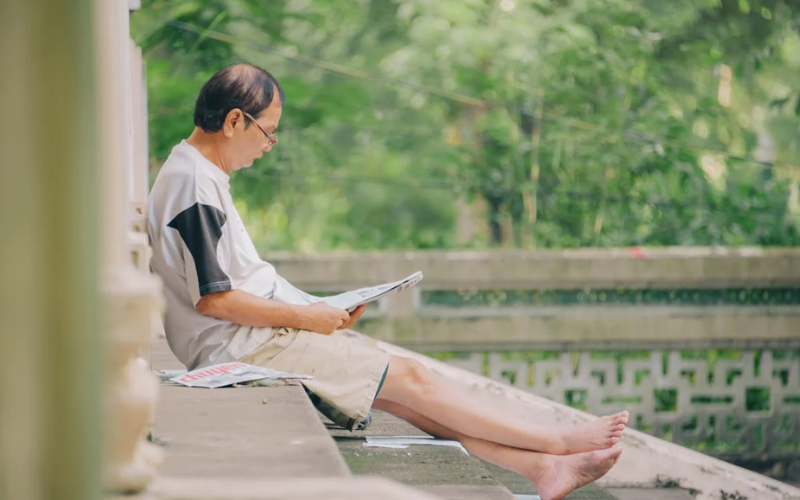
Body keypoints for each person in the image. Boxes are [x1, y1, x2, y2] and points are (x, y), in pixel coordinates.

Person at [147, 63, 628, 500]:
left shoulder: (198, 174)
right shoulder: (194, 185)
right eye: (268, 134)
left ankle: (542, 469)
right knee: (412, 379)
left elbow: (234, 284)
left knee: (410, 397)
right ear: (234, 122)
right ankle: (557, 441)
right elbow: (215, 299)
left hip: (256, 335)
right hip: (245, 348)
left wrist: (319, 308)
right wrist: (309, 317)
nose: (269, 147)